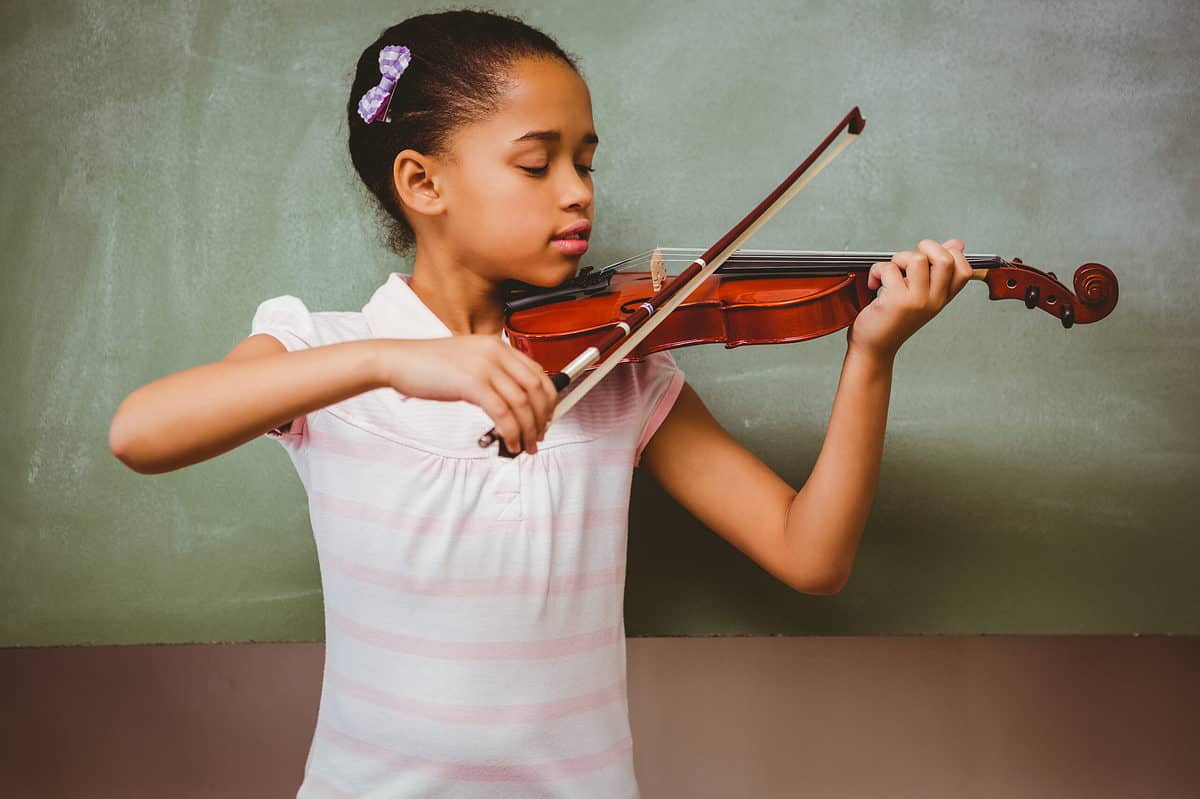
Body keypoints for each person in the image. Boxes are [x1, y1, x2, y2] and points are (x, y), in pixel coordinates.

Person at [108, 9, 974, 797]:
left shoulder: (621, 369)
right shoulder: (328, 352)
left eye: (586, 161)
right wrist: (389, 360)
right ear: (422, 183)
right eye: (537, 162)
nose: (578, 190)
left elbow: (809, 554)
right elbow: (140, 431)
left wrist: (870, 354)